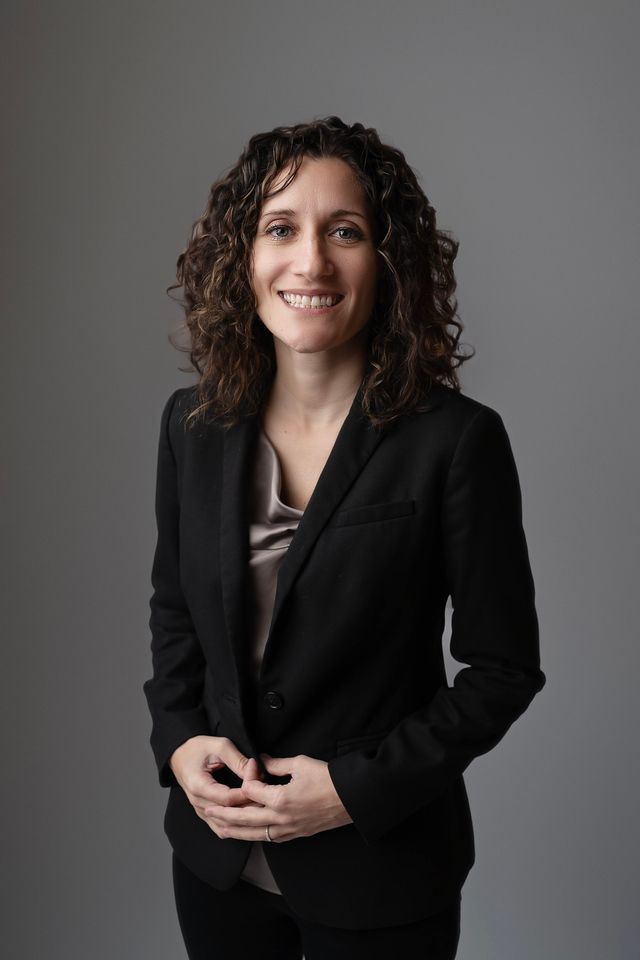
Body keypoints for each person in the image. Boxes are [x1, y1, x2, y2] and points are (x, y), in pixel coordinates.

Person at [143, 115, 546, 960]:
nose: (311, 262)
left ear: (387, 261)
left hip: (380, 873)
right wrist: (177, 743)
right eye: (280, 228)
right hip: (216, 864)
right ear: (242, 256)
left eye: (346, 232)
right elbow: (176, 613)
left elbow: (503, 670)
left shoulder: (455, 441)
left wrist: (353, 792)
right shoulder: (192, 426)